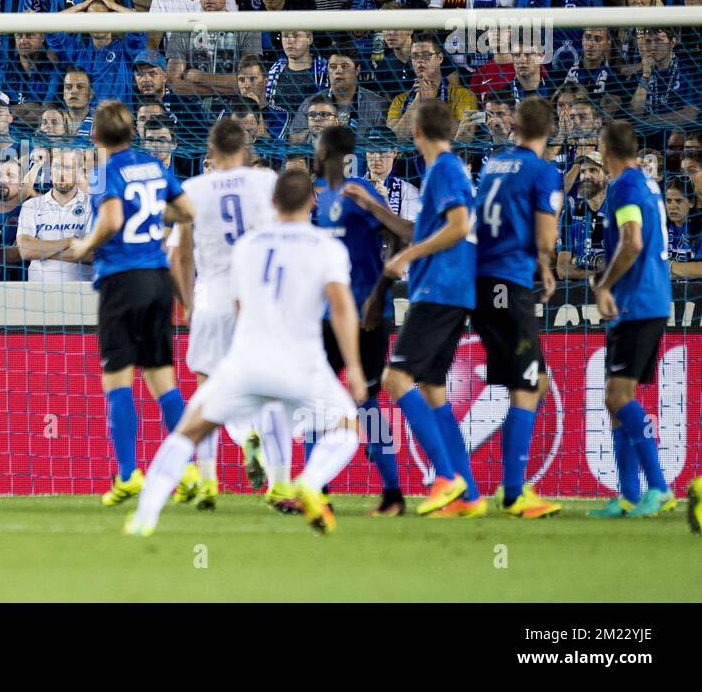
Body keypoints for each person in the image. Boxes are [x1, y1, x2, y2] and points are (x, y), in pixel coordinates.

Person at [124, 169, 368, 537]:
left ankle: (145, 518)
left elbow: (240, 305)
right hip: (303, 364)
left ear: (272, 202)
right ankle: (310, 482)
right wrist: (354, 367)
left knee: (188, 433)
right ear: (312, 202)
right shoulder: (327, 248)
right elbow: (342, 308)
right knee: (348, 427)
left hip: (248, 362)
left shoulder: (247, 247)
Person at [64, 101, 195, 506]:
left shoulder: (105, 173)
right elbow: (187, 211)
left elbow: (113, 220)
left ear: (96, 136)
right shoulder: (154, 167)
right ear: (131, 133)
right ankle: (188, 470)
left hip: (122, 280)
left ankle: (127, 475)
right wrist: (154, 213)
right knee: (162, 380)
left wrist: (85, 243)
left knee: (117, 379)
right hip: (158, 279)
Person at [371, 99, 481, 517]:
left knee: (395, 380)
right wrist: (377, 211)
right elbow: (436, 226)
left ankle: (447, 477)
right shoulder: (447, 170)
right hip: (449, 290)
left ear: (416, 132)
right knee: (433, 389)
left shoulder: (445, 169)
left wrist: (408, 255)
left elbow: (459, 227)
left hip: (439, 289)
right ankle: (468, 494)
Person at [168, 117, 285, 510]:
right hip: (257, 300)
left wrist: (187, 303)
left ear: (211, 151)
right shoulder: (266, 181)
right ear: (246, 149)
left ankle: (208, 479)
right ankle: (279, 481)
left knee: (207, 391)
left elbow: (179, 255)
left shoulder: (192, 190)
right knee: (269, 391)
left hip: (212, 300)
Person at [470, 97, 564, 518]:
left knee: (533, 382)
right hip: (510, 284)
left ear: (515, 126)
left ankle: (508, 485)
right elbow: (546, 237)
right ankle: (512, 493)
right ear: (551, 131)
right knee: (527, 385)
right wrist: (547, 266)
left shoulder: (492, 164)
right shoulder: (545, 171)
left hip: (481, 283)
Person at [590, 120, 678, 518]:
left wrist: (604, 285)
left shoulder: (624, 185)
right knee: (616, 401)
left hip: (638, 303)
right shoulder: (647, 183)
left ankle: (659, 487)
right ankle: (627, 495)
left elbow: (632, 239)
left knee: (619, 397)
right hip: (645, 301)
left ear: (604, 151)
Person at [316, 125, 405, 516]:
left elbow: (403, 235)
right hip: (326, 315)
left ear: (332, 154)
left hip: (368, 313)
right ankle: (316, 491)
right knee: (316, 399)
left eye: (320, 147)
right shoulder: (319, 198)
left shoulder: (359, 192)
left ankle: (393, 492)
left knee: (366, 400)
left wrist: (381, 288)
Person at [16, 147, 92, 283]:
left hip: (81, 293)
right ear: (50, 173)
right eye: (56, 167)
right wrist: (69, 242)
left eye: (67, 168)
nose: (61, 173)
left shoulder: (92, 205)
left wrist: (41, 250)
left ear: (79, 173)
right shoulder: (31, 205)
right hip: (39, 292)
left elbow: (92, 254)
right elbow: (26, 251)